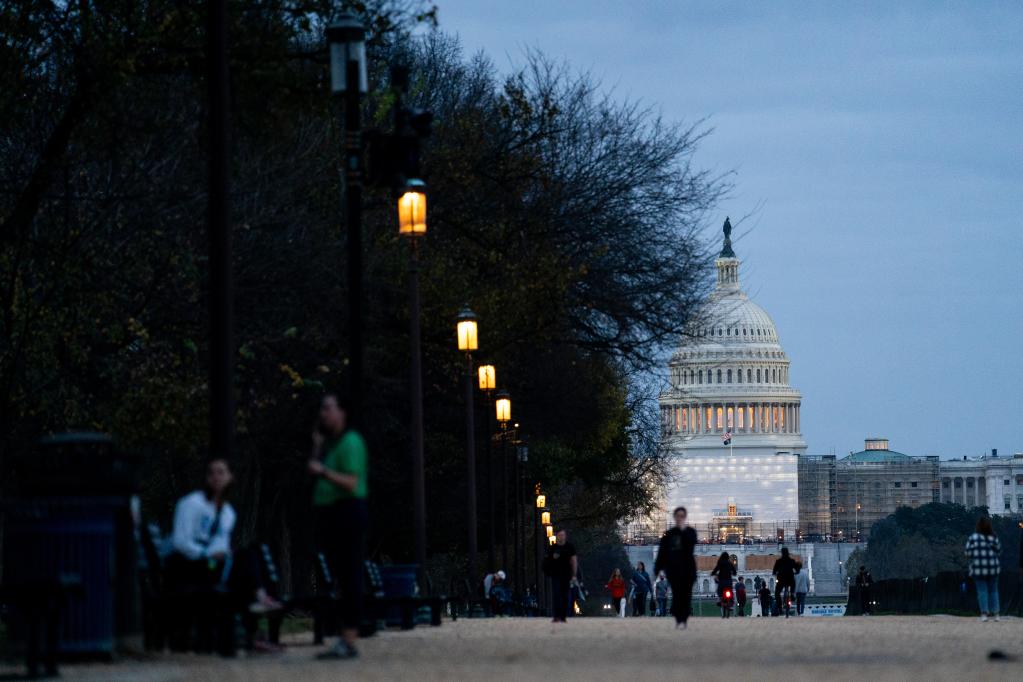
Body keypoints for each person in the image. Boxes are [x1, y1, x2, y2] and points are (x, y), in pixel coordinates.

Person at [308, 393, 369, 659]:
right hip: (334, 514)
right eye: (321, 408)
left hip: (347, 513)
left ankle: (349, 637)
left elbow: (351, 483)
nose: (323, 413)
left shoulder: (350, 442)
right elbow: (315, 468)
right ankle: (343, 635)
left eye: (328, 408)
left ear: (342, 412)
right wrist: (317, 447)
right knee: (340, 574)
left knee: (349, 574)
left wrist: (322, 471)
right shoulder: (332, 445)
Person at [165, 458, 236, 653]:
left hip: (210, 565)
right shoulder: (191, 504)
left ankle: (257, 599)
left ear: (230, 477)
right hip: (185, 564)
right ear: (205, 478)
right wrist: (207, 554)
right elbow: (181, 542)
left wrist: (219, 555)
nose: (216, 477)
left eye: (221, 472)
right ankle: (259, 596)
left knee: (245, 558)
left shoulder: (228, 512)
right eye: (212, 472)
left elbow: (221, 543)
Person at [654, 506, 697, 629]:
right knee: (677, 595)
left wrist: (682, 530)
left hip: (688, 569)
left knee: (686, 595)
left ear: (685, 517)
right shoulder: (669, 534)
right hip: (674, 570)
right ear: (674, 517)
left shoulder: (690, 532)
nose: (680, 518)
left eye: (682, 516)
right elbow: (662, 552)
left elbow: (691, 545)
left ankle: (684, 618)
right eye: (678, 516)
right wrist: (657, 568)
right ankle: (679, 619)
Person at [965, 516, 1002, 622]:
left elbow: (967, 552)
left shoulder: (973, 537)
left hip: (978, 568)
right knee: (994, 591)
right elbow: (998, 551)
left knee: (982, 591)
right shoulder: (993, 537)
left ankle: (984, 614)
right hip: (993, 568)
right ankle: (996, 614)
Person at [545, 529, 578, 623]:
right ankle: (556, 616)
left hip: (566, 574)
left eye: (563, 535)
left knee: (565, 595)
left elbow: (574, 560)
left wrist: (574, 574)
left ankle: (563, 616)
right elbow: (548, 560)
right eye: (559, 535)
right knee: (556, 594)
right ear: (556, 536)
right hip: (556, 574)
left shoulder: (570, 547)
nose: (561, 537)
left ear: (565, 536)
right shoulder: (552, 548)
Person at [772, 547, 797, 616]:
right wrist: (796, 572)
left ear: (782, 553)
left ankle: (780, 607)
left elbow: (774, 571)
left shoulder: (778, 561)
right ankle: (792, 594)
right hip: (790, 579)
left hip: (781, 580)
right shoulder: (792, 561)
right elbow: (797, 569)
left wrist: (775, 573)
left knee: (777, 593)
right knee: (793, 583)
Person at [710, 552, 735, 617]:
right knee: (731, 592)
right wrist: (733, 573)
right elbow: (734, 571)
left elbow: (716, 569)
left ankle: (720, 600)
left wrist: (712, 573)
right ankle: (731, 604)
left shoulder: (720, 563)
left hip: (722, 581)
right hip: (729, 581)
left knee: (719, 591)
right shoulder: (730, 563)